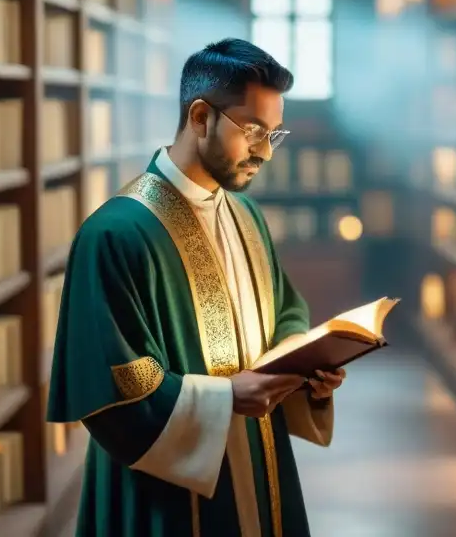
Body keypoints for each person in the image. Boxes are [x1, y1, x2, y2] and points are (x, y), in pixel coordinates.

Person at [47, 38, 345, 536]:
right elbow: (120, 387)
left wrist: (307, 365)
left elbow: (285, 310)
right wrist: (225, 398)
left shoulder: (246, 215)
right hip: (165, 499)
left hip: (260, 455)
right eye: (252, 131)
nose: (266, 153)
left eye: (275, 133)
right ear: (201, 117)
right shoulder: (116, 234)